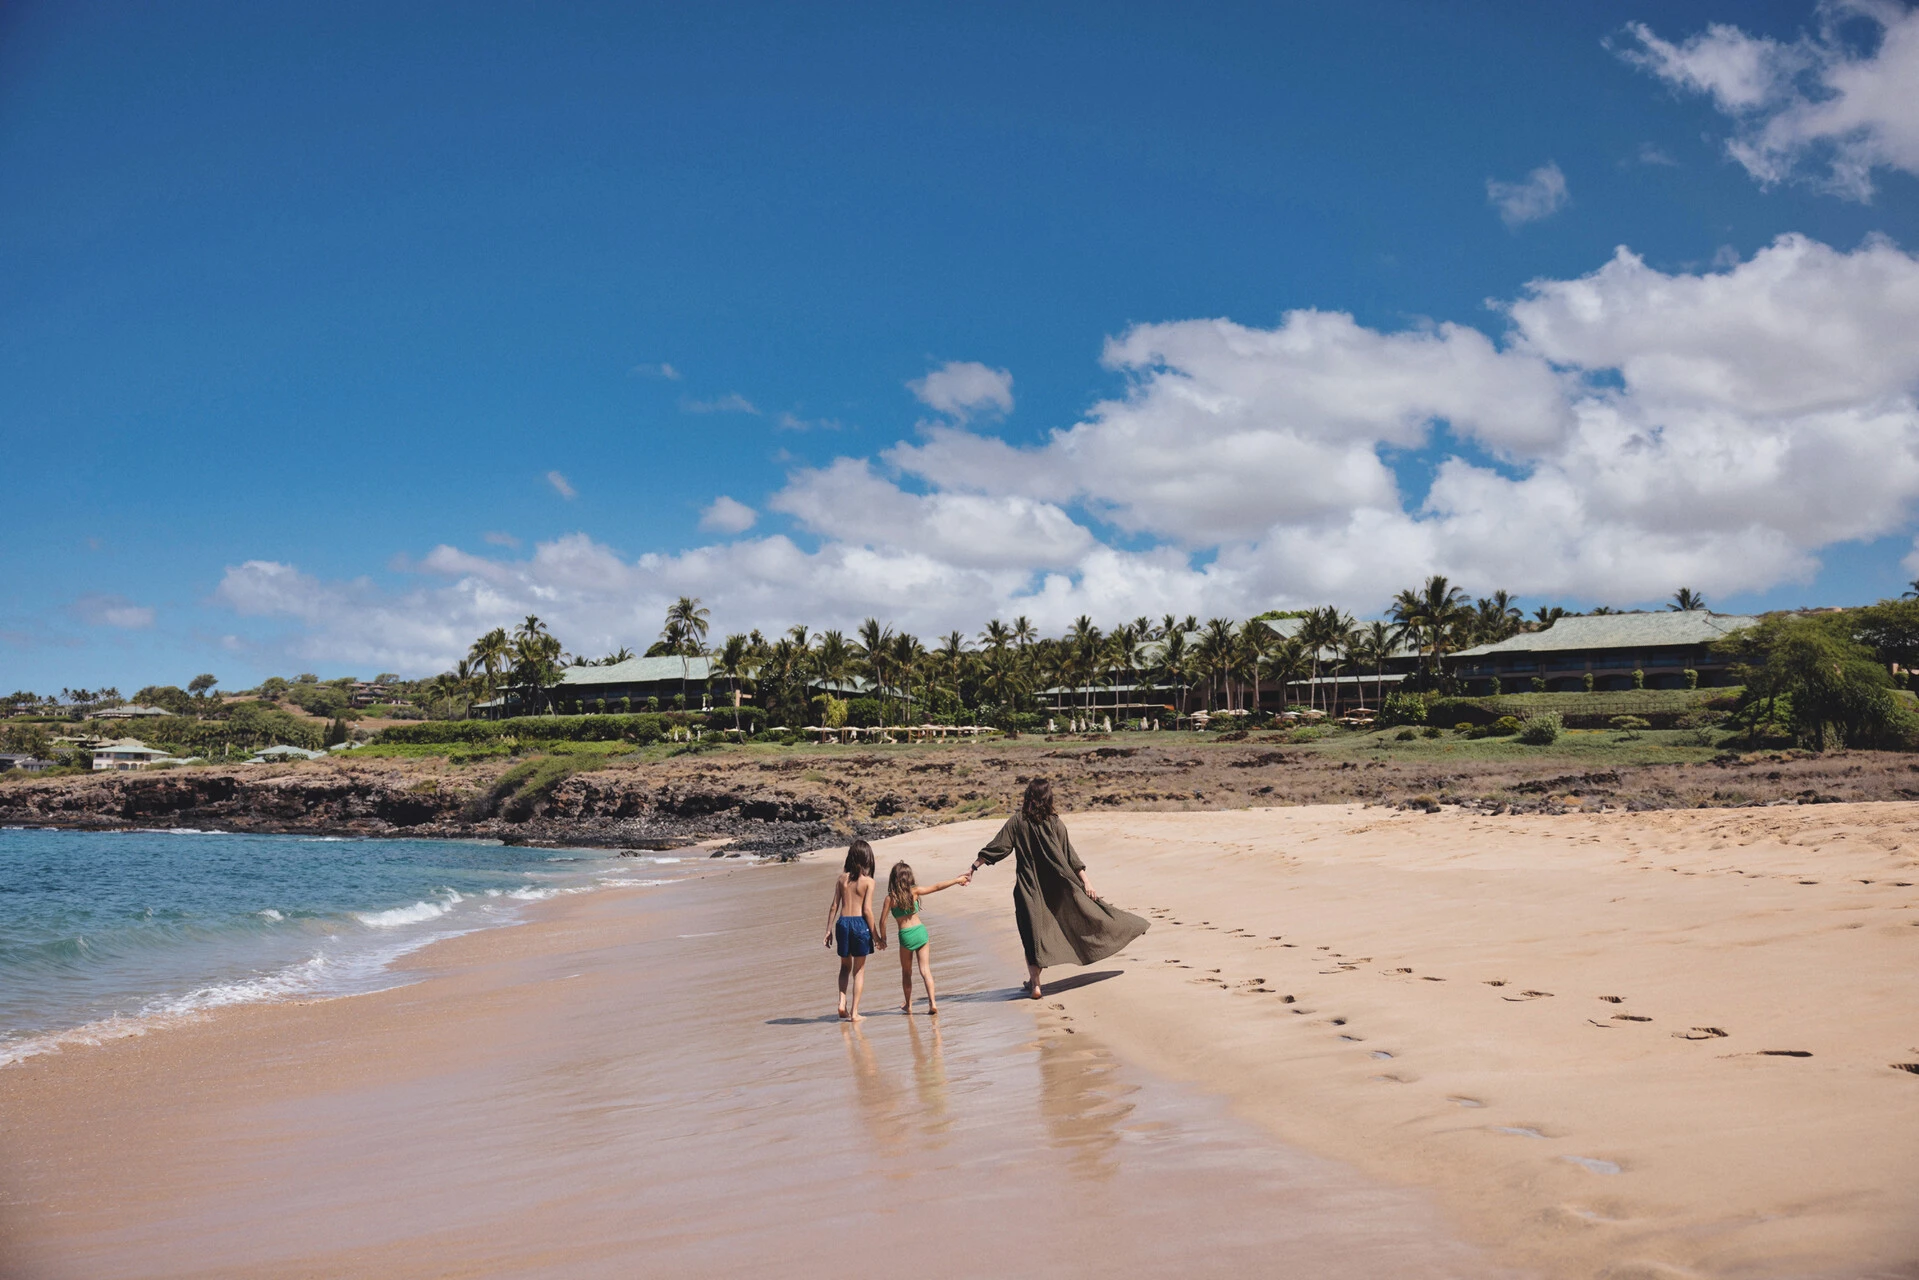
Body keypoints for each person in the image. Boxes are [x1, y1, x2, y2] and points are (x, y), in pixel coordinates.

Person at [970, 778, 1148, 999]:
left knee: (1031, 937)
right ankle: (1128, 926)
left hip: (1028, 891)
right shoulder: (1055, 823)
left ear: (1028, 796)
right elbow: (1069, 855)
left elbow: (998, 847)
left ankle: (1035, 985)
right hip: (1056, 891)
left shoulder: (1017, 822)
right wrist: (1086, 882)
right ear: (1048, 797)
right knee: (1084, 916)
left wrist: (973, 867)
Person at [877, 860, 970, 1016]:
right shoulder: (915, 891)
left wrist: (883, 939)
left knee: (906, 973)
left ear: (894, 879)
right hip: (920, 932)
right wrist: (956, 880)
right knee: (925, 970)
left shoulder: (890, 898)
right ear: (909, 878)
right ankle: (932, 1003)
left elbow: (882, 921)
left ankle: (908, 1005)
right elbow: (937, 886)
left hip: (905, 936)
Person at [824, 840, 884, 1020]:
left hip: (842, 923)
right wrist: (877, 937)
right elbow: (867, 910)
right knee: (859, 970)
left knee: (844, 967)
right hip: (859, 925)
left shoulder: (842, 879)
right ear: (868, 859)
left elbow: (834, 905)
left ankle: (842, 1002)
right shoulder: (868, 882)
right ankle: (855, 1013)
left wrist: (828, 930)